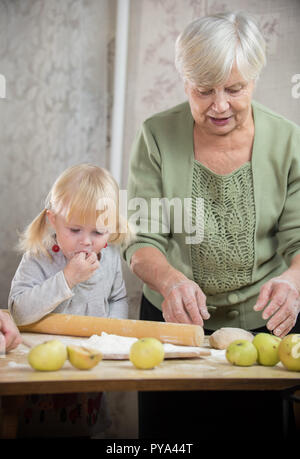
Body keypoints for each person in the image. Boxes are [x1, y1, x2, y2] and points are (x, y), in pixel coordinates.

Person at [123, 11, 300, 440]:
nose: (219, 104)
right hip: (172, 326)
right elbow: (141, 239)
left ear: (253, 79)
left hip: (264, 325)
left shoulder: (289, 141)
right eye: (203, 90)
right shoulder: (156, 135)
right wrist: (170, 282)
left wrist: (294, 282)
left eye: (234, 89)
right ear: (185, 83)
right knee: (169, 442)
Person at [8, 163, 133, 438]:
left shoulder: (110, 256)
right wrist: (67, 278)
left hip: (91, 364)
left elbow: (118, 297)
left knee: (90, 428)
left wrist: (112, 333)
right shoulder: (40, 256)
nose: (86, 242)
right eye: (75, 230)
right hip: (44, 368)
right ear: (53, 220)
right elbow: (18, 312)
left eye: (99, 233)